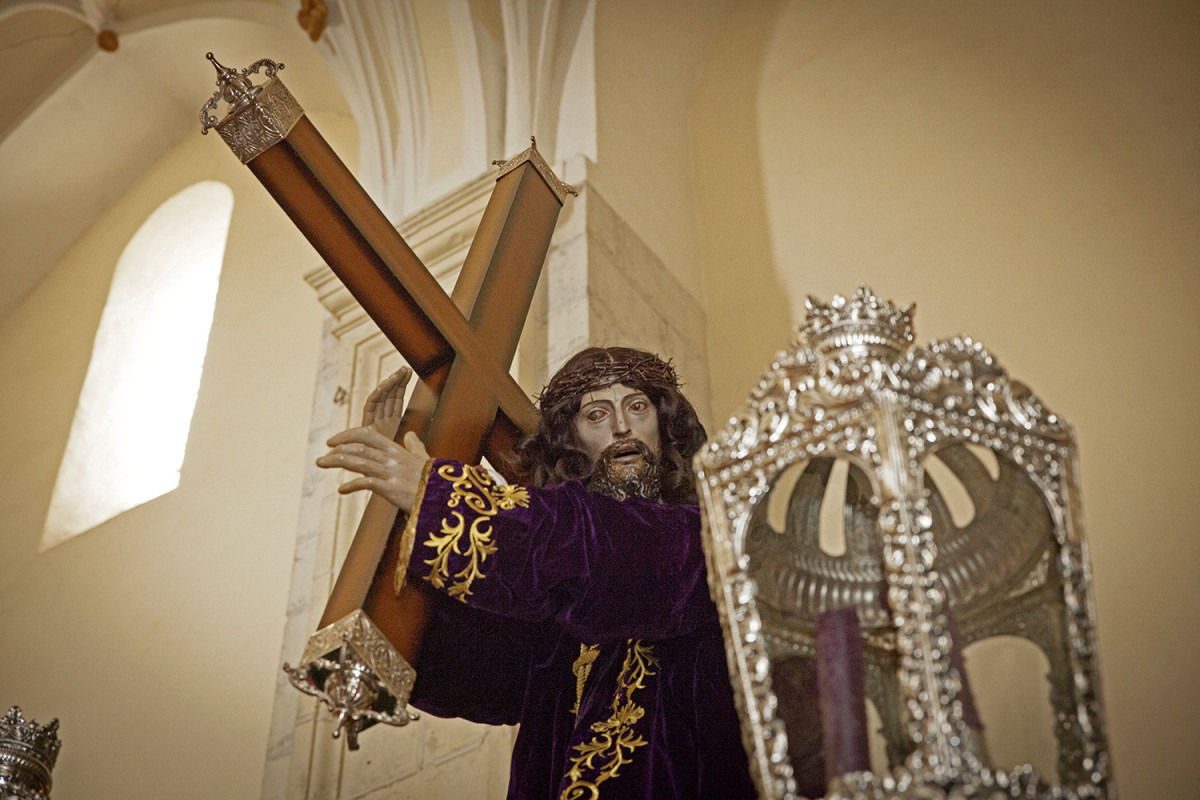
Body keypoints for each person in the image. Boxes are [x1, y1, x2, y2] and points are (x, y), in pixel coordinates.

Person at [317, 346, 756, 800]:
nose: (622, 427)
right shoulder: (553, 618)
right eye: (597, 414)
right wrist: (394, 503)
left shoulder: (706, 541)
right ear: (573, 442)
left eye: (638, 407)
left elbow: (592, 547)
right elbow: (466, 664)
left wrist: (439, 497)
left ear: (665, 427)